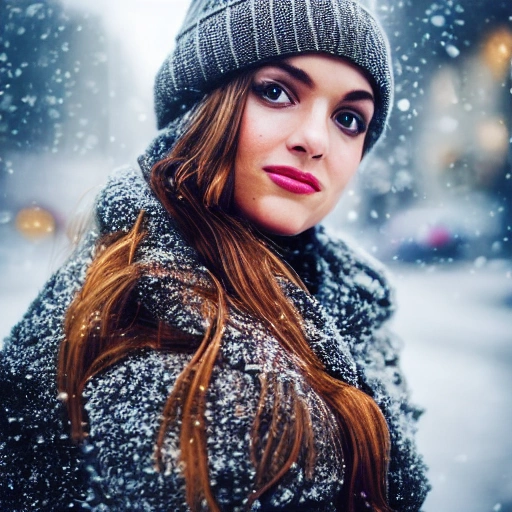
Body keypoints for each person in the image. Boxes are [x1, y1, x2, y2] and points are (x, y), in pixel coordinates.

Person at [0, 0, 430, 510]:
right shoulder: (139, 314)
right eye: (276, 92)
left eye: (349, 119)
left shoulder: (349, 303)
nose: (315, 140)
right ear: (203, 105)